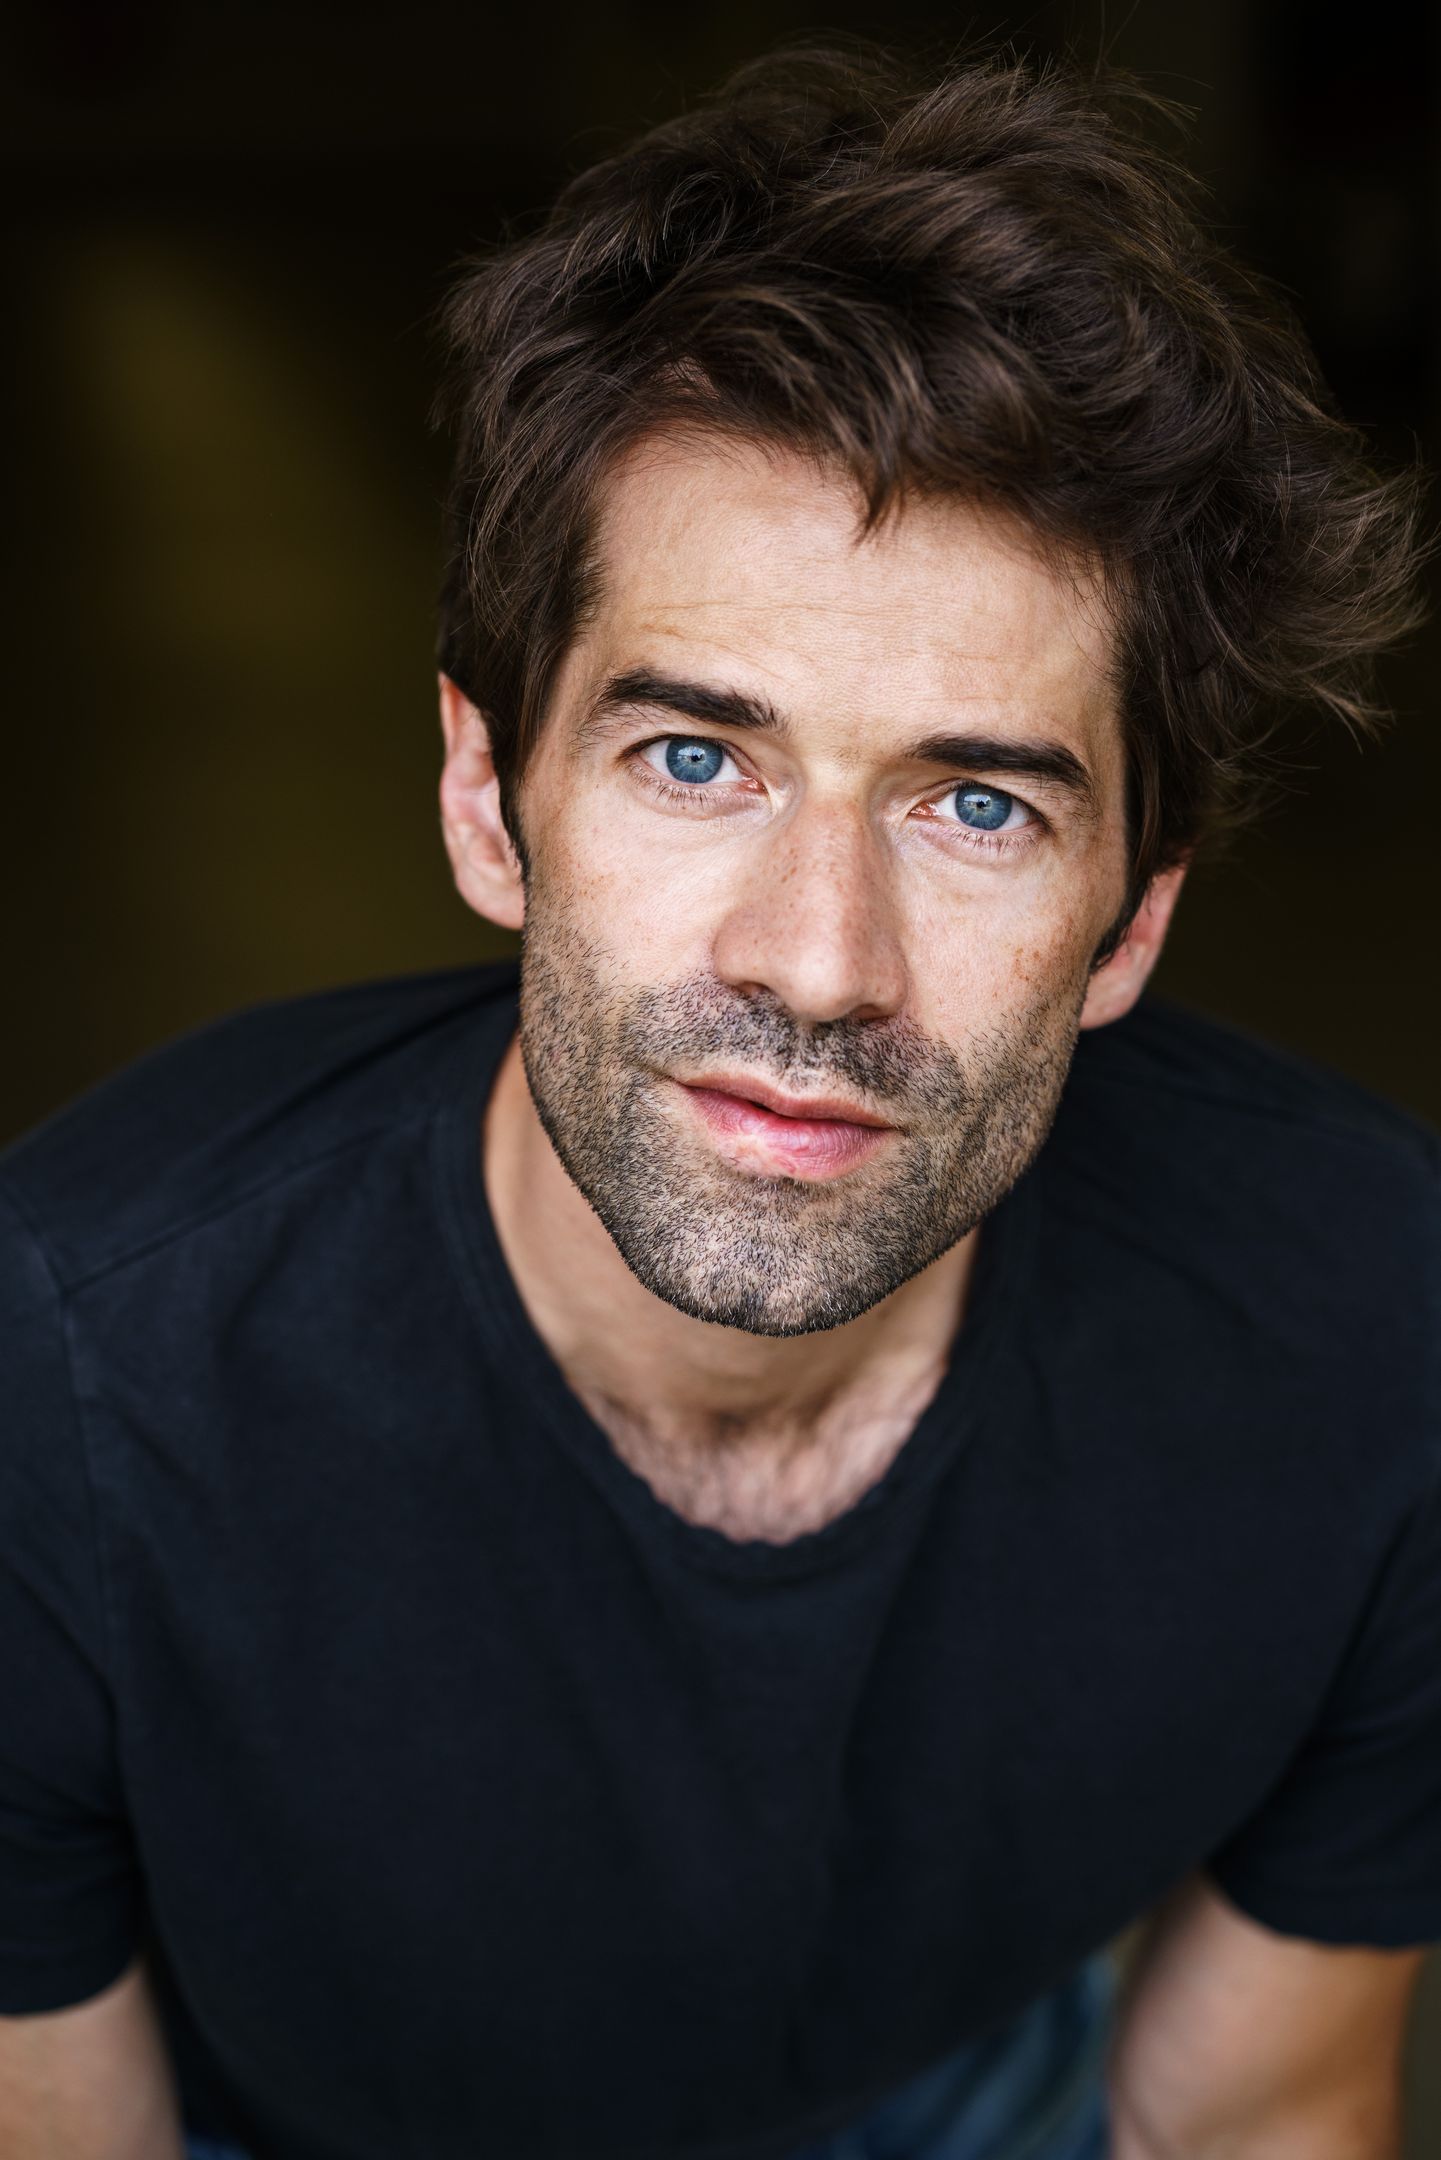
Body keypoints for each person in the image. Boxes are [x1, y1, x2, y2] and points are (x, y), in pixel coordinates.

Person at [1, 39, 1436, 2160]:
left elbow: (1251, 2125)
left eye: (975, 805)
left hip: (939, 2085)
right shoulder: (66, 1379)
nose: (817, 959)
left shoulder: (1372, 1324)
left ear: (1131, 920)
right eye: (694, 759)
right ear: (486, 800)